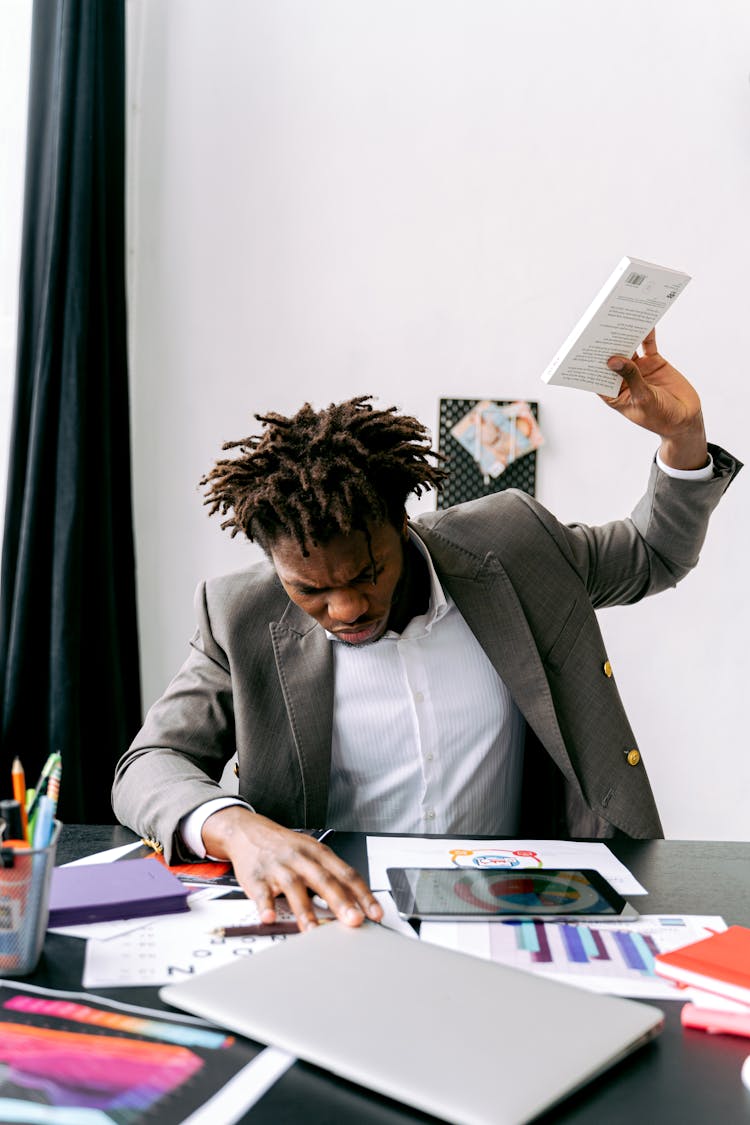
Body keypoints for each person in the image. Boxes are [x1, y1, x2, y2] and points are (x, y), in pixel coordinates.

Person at [112, 330, 740, 931]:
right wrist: (240, 828)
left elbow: (653, 555)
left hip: (519, 903)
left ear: (403, 524)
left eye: (367, 573)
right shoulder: (239, 614)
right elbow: (151, 763)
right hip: (341, 916)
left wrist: (684, 436)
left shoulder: (514, 547)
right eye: (311, 591)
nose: (346, 608)